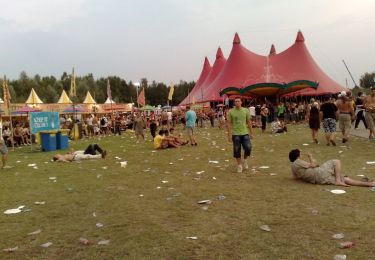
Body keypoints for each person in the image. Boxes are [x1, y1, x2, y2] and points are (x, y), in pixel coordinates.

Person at [289, 149, 375, 187]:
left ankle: (370, 184)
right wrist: (310, 157)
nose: (301, 154)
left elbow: (295, 177)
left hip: (317, 179)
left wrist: (304, 176)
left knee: (344, 179)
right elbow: (314, 164)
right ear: (297, 156)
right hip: (319, 173)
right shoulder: (298, 161)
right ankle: (338, 180)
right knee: (336, 161)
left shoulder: (293, 166)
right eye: (300, 153)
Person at [227, 98, 253, 173]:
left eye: (238, 101)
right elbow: (229, 123)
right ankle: (239, 165)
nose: (237, 102)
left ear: (241, 102)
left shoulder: (246, 110)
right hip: (235, 134)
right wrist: (229, 135)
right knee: (237, 150)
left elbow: (249, 122)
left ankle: (245, 160)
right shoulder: (231, 111)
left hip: (245, 133)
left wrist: (251, 133)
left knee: (248, 148)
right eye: (235, 101)